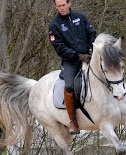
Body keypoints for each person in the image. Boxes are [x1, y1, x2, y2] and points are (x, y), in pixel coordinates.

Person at [49, 0, 96, 135]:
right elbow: (59, 48)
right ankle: (73, 121)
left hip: (90, 55)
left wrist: (93, 49)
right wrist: (78, 56)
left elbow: (91, 33)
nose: (62, 8)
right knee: (69, 86)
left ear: (69, 4)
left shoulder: (80, 17)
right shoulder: (54, 26)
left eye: (64, 5)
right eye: (59, 6)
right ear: (55, 6)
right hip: (71, 61)